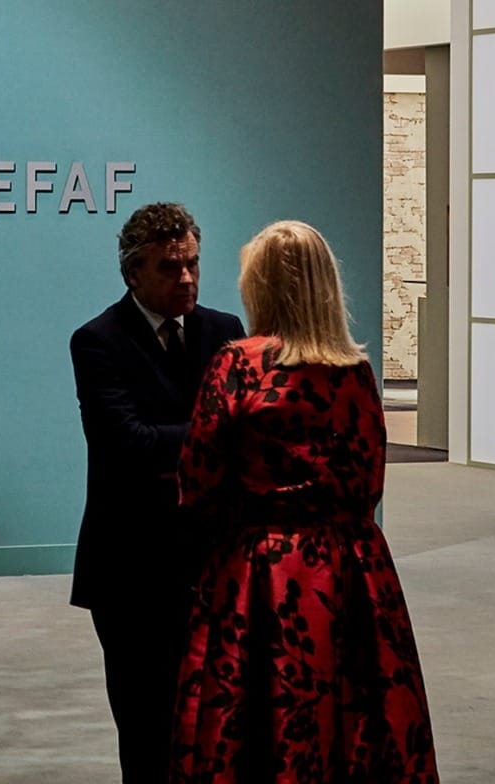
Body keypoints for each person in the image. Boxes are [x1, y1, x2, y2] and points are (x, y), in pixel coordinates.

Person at [171, 221, 439, 782]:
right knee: (360, 717)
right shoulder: (357, 373)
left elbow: (198, 478)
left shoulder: (238, 364)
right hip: (353, 573)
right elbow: (370, 480)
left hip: (262, 574)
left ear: (261, 287)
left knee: (262, 717)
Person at [68, 201, 245, 784]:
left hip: (210, 560)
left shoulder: (225, 333)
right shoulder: (97, 341)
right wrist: (218, 433)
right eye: (170, 268)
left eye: (193, 264)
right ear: (133, 273)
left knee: (217, 724)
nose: (187, 278)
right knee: (146, 727)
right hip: (130, 570)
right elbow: (128, 443)